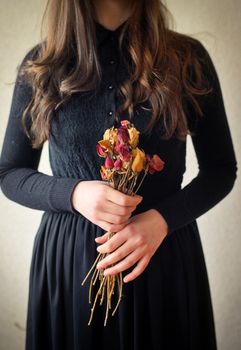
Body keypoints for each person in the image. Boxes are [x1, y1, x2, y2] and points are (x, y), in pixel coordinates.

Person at [0, 0, 238, 349]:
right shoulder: (43, 66)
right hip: (72, 268)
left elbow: (221, 170)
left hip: (163, 258)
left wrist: (162, 220)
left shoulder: (187, 58)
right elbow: (9, 173)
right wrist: (74, 193)